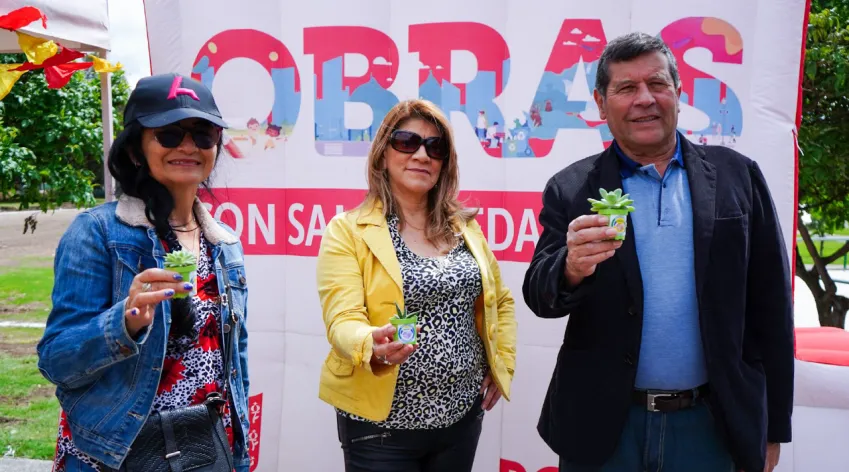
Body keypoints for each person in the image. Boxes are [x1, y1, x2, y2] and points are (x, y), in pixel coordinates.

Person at [522, 32, 794, 472]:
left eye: (658, 84)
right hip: (604, 429)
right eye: (627, 88)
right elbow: (539, 294)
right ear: (600, 101)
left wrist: (773, 425)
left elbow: (772, 309)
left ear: (679, 93)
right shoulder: (572, 188)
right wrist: (570, 267)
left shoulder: (737, 177)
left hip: (711, 425)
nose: (644, 99)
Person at [36, 73, 251, 472]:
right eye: (169, 134)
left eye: (203, 134)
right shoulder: (98, 232)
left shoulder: (225, 246)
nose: (188, 146)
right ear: (137, 149)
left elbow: (234, 365)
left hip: (202, 453)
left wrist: (238, 456)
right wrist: (124, 323)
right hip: (112, 454)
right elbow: (56, 360)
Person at [316, 99, 517, 472]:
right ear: (382, 155)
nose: (422, 155)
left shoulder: (464, 228)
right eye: (407, 142)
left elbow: (499, 301)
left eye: (435, 147)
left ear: (444, 164)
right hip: (382, 430)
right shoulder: (347, 231)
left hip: (460, 418)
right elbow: (341, 319)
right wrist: (370, 343)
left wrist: (499, 361)